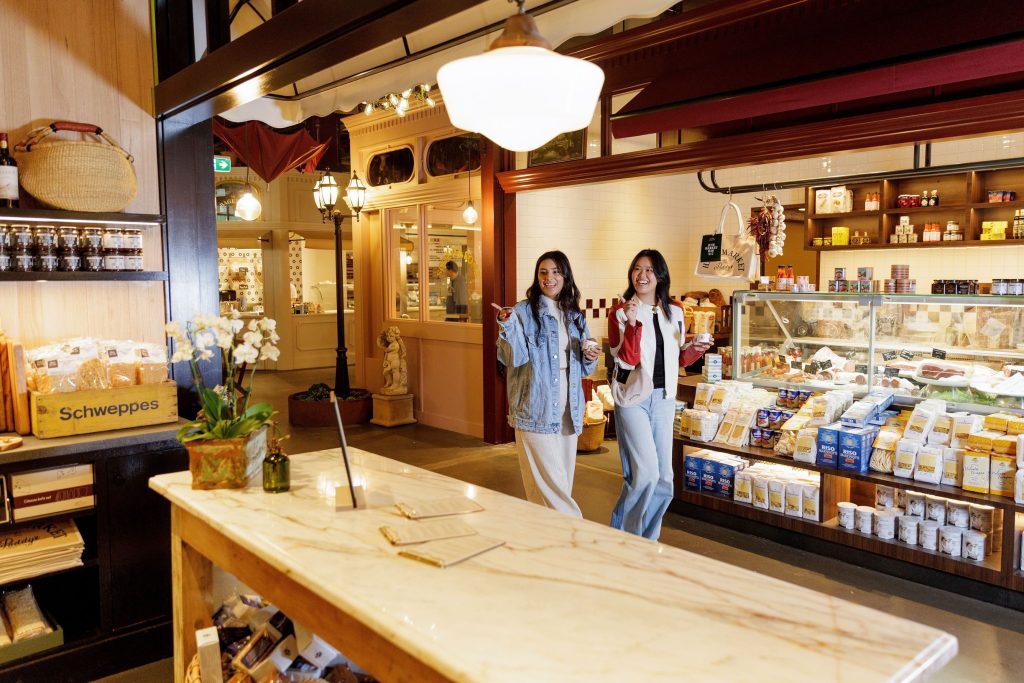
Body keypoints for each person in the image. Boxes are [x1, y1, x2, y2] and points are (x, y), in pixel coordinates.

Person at [608, 249, 713, 539]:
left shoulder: (675, 310)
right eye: (637, 269)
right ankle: (624, 538)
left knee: (665, 479)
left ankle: (647, 539)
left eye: (649, 270)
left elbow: (676, 358)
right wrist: (631, 324)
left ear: (660, 276)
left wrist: (695, 350)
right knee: (644, 475)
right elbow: (627, 360)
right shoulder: (619, 312)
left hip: (665, 398)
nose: (642, 276)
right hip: (633, 398)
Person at [496, 251, 600, 516]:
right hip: (535, 407)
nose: (549, 277)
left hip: (569, 408)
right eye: (543, 272)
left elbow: (585, 367)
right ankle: (577, 535)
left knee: (557, 485)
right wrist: (506, 326)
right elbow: (513, 357)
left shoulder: (574, 315)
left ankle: (548, 545)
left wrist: (590, 354)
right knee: (553, 489)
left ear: (565, 276)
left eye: (555, 272)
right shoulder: (522, 312)